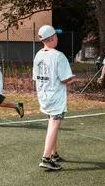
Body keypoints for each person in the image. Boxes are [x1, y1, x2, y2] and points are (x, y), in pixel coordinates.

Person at [33, 25, 75, 170]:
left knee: (51, 123)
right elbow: (64, 78)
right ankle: (45, 158)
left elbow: (36, 77)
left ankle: (53, 153)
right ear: (51, 37)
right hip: (55, 96)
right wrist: (71, 78)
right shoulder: (58, 55)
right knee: (54, 125)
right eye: (55, 36)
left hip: (43, 95)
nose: (57, 38)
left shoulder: (38, 55)